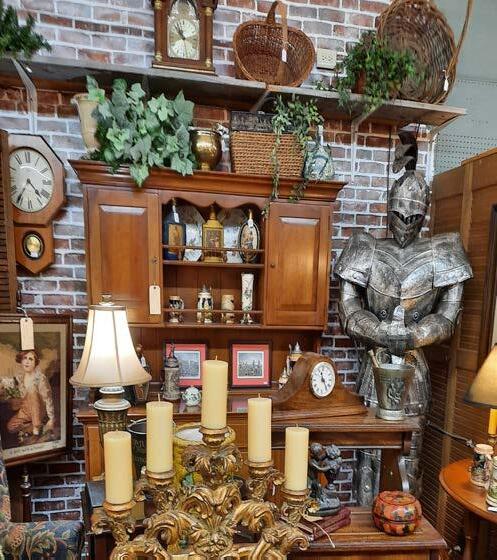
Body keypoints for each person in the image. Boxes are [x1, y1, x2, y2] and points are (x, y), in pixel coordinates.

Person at [3, 349, 55, 439]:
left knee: (32, 391)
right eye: (24, 358)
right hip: (25, 411)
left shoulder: (40, 378)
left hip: (38, 410)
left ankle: (36, 428)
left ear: (35, 363)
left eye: (30, 359)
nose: (27, 362)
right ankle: (30, 425)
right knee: (10, 427)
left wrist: (51, 418)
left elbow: (48, 399)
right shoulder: (20, 377)